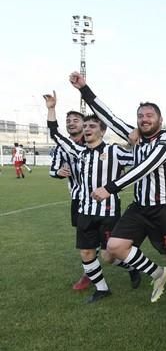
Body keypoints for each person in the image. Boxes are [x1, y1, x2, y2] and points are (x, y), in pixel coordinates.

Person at [70, 72, 166, 314]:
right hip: (140, 206)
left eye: (149, 115)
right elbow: (109, 115)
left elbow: (145, 167)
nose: (144, 119)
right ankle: (158, 274)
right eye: (140, 116)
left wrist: (109, 188)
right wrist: (84, 89)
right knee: (115, 247)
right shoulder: (134, 136)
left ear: (160, 119)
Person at [44, 90, 135, 302]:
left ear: (103, 131)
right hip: (84, 209)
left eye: (91, 126)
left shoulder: (116, 151)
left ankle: (133, 267)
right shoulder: (79, 151)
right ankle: (102, 289)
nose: (86, 129)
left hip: (109, 210)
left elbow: (141, 162)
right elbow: (55, 134)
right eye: (84, 127)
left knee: (109, 255)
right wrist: (51, 110)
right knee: (86, 253)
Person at [48, 110, 95, 290]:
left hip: (102, 198)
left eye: (76, 120)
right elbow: (53, 169)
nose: (71, 123)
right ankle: (88, 274)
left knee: (110, 248)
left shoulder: (95, 142)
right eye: (68, 120)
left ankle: (131, 267)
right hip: (78, 199)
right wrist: (58, 172)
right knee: (86, 242)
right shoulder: (62, 147)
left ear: (84, 124)